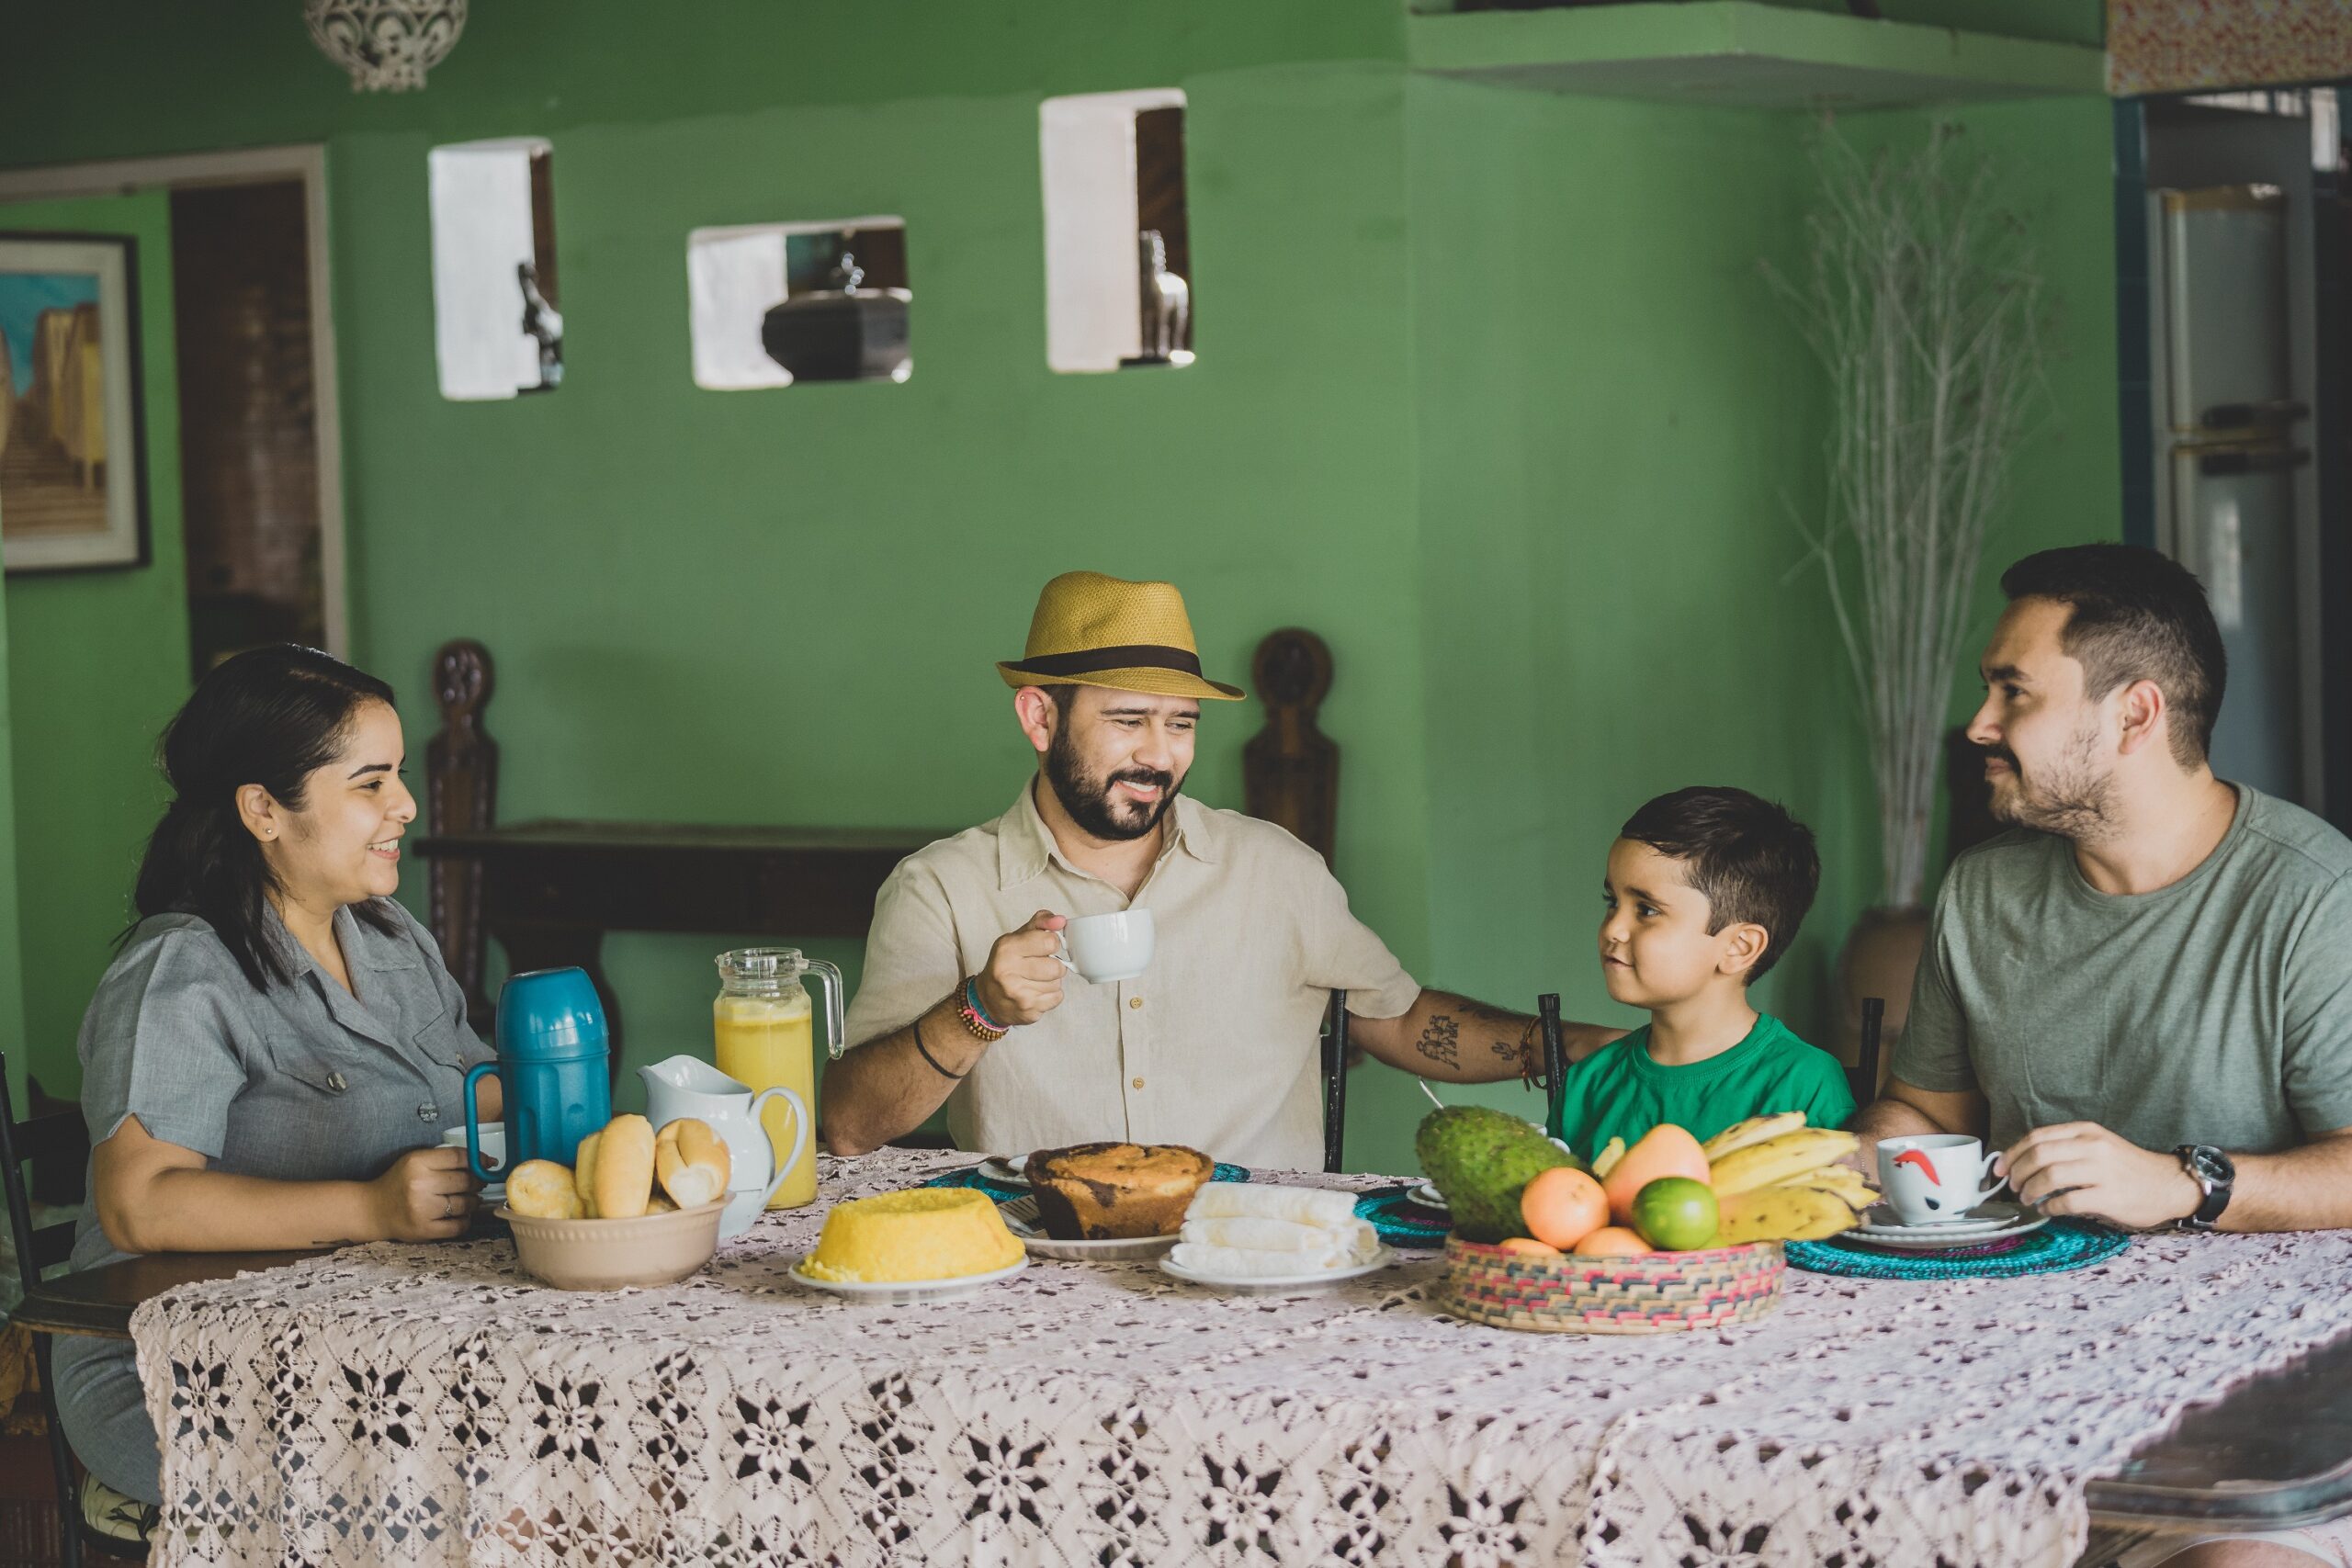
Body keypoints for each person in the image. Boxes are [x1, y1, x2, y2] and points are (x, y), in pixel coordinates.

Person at [1849, 544, 2352, 1568]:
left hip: (2259, 1418)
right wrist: (1842, 1156)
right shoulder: (1981, 895)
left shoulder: (2312, 896)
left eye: (2011, 691)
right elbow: (1923, 1115)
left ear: (2135, 713)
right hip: (2006, 1390)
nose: (1978, 725)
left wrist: (2181, 1183)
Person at [823, 571, 1614, 1167]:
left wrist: (1586, 1050)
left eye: (1180, 724)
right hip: (1043, 1287)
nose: (1159, 755)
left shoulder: (1275, 871)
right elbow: (850, 1125)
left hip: (1261, 1273)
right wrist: (979, 1009)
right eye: (1128, 720)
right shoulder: (941, 889)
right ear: (1039, 717)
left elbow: (1402, 1021)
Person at [51, 646, 499, 1545]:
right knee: (467, 1476)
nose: (404, 806)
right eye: (370, 783)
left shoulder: (389, 937)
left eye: (398, 776)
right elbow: (138, 1206)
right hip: (175, 1365)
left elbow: (478, 1095)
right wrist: (375, 1207)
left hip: (362, 1328)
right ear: (263, 809)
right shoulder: (184, 972)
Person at [1551, 786, 1853, 1156]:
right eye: (1612, 901)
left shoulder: (1804, 1085)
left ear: (1738, 948)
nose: (1613, 928)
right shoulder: (1589, 1083)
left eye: (1646, 909)